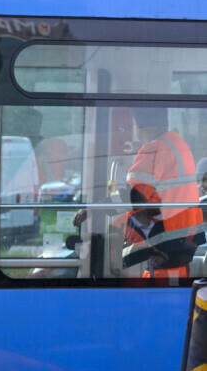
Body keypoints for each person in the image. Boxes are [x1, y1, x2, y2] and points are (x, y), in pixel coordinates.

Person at [76, 108, 204, 277]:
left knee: (157, 290)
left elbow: (133, 196)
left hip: (166, 237)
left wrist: (93, 209)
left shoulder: (153, 149)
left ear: (138, 127)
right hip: (186, 233)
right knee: (176, 281)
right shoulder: (178, 144)